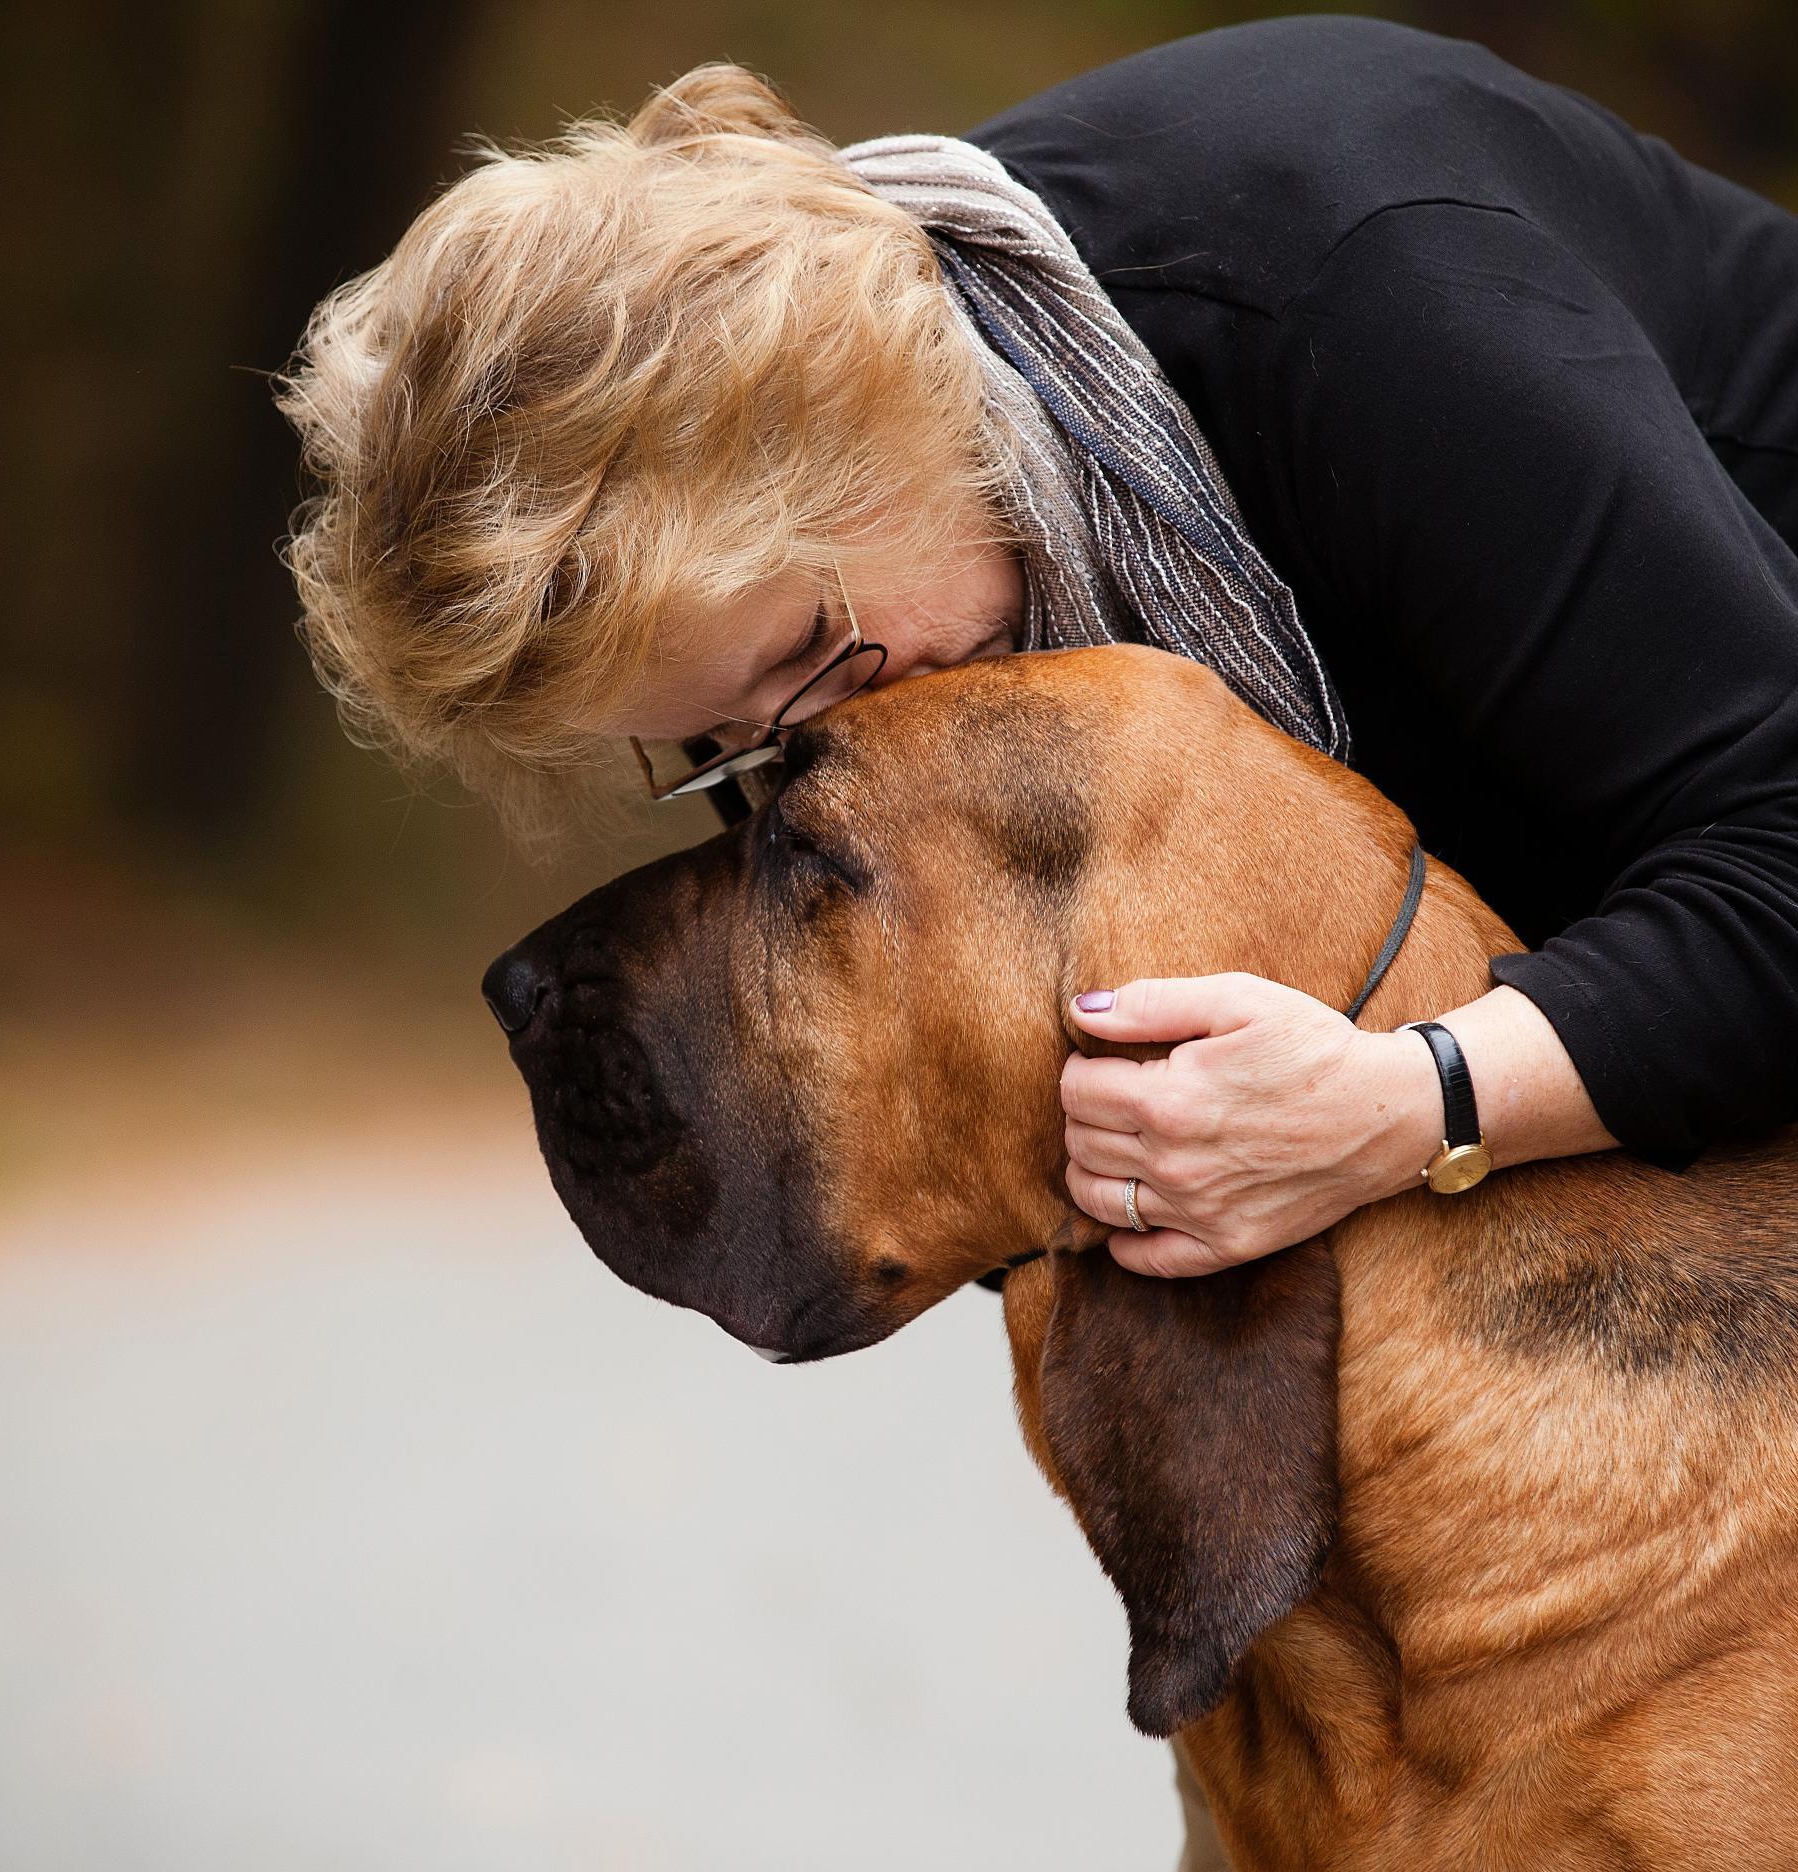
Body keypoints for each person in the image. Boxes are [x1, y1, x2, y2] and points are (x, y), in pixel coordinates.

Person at [277, 19, 1798, 1863]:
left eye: (812, 669)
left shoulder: (1360, 290)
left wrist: (1415, 1098)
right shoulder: (943, 410)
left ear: (852, 427)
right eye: (732, 753)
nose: (850, 730)